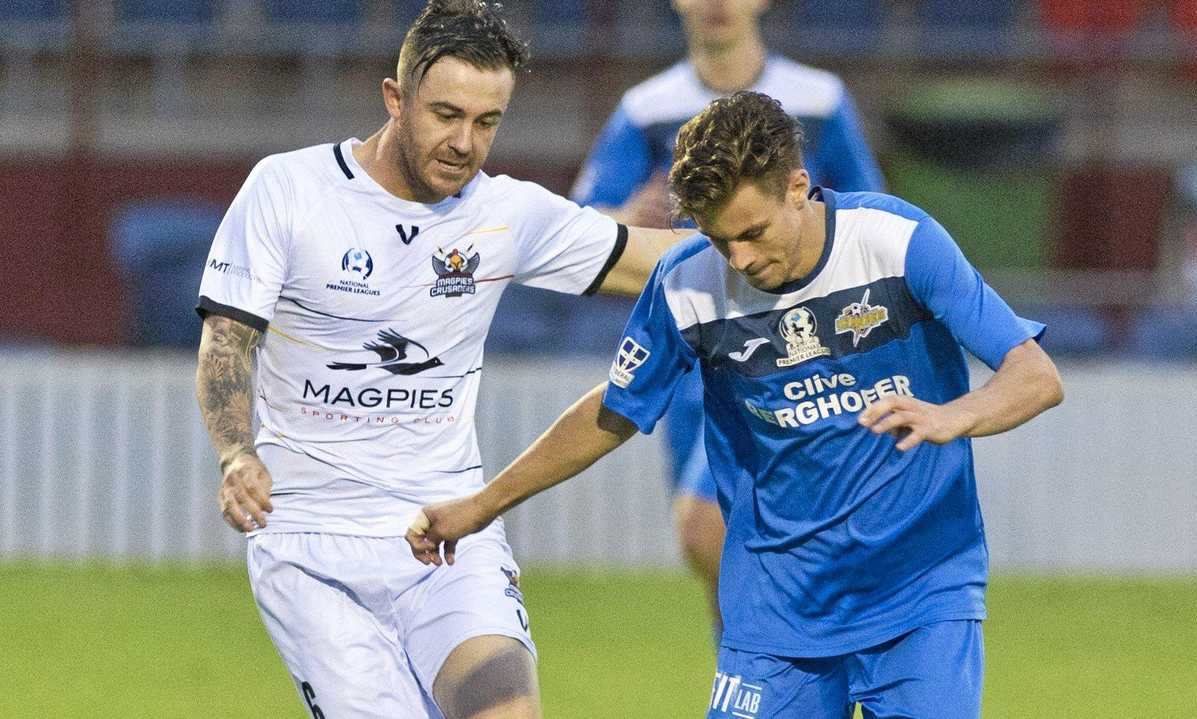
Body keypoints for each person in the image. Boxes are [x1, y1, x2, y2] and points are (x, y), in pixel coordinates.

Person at [407, 91, 1064, 718]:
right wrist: (480, 504)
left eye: (752, 231)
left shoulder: (895, 241)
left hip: (920, 595)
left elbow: (1034, 374)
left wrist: (953, 415)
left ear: (799, 187)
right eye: (722, 240)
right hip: (776, 613)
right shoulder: (689, 282)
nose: (741, 260)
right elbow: (614, 410)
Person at [192, 2, 684, 717]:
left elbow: (656, 264)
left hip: (447, 531)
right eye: (445, 114)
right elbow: (229, 336)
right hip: (308, 544)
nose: (464, 142)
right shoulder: (289, 190)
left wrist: (803, 243)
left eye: (487, 122)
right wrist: (236, 452)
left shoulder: (505, 214)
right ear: (395, 98)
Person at [571, 0, 886, 633]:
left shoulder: (818, 99)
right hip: (695, 359)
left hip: (798, 352)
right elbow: (579, 236)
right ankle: (755, 683)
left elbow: (873, 218)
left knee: (707, 526)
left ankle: (803, 666)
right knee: (720, 553)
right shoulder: (647, 107)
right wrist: (634, 217)